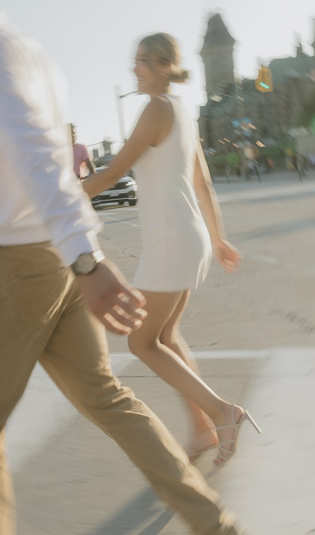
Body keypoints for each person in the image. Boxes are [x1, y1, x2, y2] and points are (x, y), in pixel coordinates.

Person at [0, 0, 244, 535]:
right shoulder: (25, 50)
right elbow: (56, 154)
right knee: (110, 400)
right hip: (56, 261)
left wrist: (85, 259)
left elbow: (37, 157)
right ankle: (214, 524)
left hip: (14, 266)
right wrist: (80, 253)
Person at [83, 33, 260, 467]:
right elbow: (203, 184)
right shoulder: (182, 112)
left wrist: (55, 198)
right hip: (190, 237)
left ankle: (223, 413)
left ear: (164, 65)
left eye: (143, 60)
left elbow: (113, 172)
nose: (135, 68)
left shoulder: (157, 109)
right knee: (165, 337)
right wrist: (216, 239)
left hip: (171, 242)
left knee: (141, 341)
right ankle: (201, 430)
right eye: (136, 60)